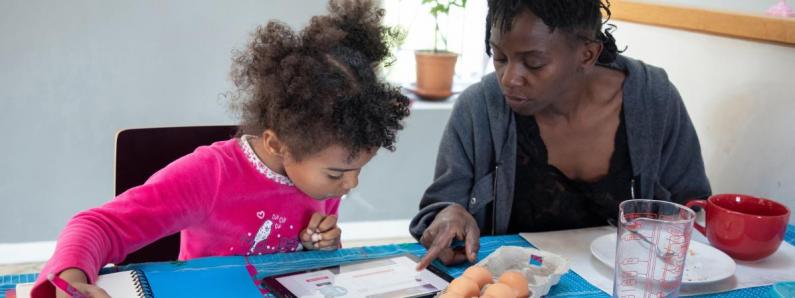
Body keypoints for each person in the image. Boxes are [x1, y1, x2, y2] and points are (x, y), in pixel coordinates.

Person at [32, 0, 410, 296]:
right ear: (278, 143)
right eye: (337, 174)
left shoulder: (320, 176)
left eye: (360, 169)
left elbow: (302, 267)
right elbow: (98, 226)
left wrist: (323, 247)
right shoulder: (209, 177)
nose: (351, 185)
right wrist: (72, 277)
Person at [410, 0, 710, 269]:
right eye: (499, 56)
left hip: (627, 282)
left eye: (534, 63)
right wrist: (449, 216)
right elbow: (440, 210)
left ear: (587, 54)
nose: (510, 79)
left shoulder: (654, 101)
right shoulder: (479, 109)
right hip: (519, 284)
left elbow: (692, 205)